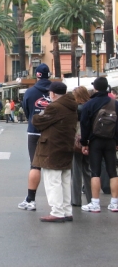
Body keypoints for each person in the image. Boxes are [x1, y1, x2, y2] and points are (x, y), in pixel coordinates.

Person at [32, 82, 77, 222]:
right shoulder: (71, 106)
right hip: (66, 146)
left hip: (52, 148)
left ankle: (57, 212)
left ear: (53, 94)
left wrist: (40, 113)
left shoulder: (55, 107)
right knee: (64, 180)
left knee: (53, 180)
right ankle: (66, 210)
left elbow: (38, 121)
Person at [80, 77, 118, 213]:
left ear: (95, 88)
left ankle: (95, 203)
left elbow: (84, 125)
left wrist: (84, 143)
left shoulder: (89, 104)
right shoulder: (115, 103)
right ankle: (115, 203)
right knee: (113, 172)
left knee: (95, 172)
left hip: (95, 141)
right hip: (111, 141)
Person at [18, 63, 51, 211]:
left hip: (34, 131)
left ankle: (31, 200)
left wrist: (33, 118)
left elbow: (26, 110)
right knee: (55, 166)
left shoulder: (30, 93)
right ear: (48, 75)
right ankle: (57, 202)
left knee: (35, 165)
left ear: (36, 75)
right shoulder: (56, 90)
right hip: (54, 132)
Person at [71, 86, 92, 207]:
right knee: (88, 171)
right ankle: (91, 199)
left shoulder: (76, 109)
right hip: (90, 141)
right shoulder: (92, 106)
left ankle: (76, 199)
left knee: (76, 171)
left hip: (77, 142)